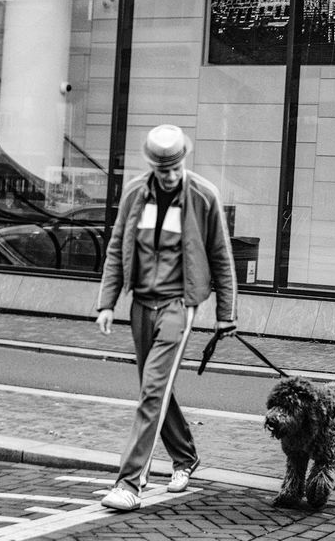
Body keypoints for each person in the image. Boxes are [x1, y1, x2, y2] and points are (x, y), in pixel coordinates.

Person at [96, 124, 238, 511]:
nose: (171, 176)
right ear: (152, 168)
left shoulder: (203, 196)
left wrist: (226, 314)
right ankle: (185, 456)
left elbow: (222, 258)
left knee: (152, 391)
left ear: (183, 162)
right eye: (163, 171)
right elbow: (115, 249)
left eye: (176, 168)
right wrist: (107, 302)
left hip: (179, 307)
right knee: (153, 387)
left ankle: (129, 483)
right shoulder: (134, 195)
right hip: (140, 304)